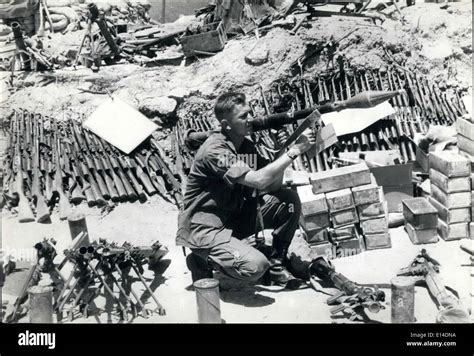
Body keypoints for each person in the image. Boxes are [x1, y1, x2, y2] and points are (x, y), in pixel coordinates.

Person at [177, 92, 317, 288]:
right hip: (204, 228)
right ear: (226, 125)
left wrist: (283, 150)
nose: (250, 119)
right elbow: (259, 180)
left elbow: (271, 184)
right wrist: (293, 152)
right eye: (243, 116)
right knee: (255, 266)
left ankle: (277, 266)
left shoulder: (244, 146)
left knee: (288, 199)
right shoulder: (216, 152)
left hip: (233, 219)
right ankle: (200, 260)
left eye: (249, 113)